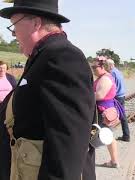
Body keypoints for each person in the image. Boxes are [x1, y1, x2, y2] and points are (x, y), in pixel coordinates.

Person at [0, 0, 96, 179]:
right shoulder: (45, 55)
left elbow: (67, 146)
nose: (13, 34)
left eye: (13, 26)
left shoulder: (62, 57)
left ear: (36, 23)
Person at [92, 56, 122, 168]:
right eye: (92, 67)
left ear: (102, 67)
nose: (93, 69)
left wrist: (85, 96)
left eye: (95, 67)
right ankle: (114, 161)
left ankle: (85, 158)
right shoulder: (103, 77)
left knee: (92, 134)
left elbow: (100, 95)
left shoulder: (105, 78)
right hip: (104, 111)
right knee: (108, 136)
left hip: (102, 112)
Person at [106, 58, 130, 142]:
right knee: (122, 116)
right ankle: (126, 136)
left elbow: (111, 87)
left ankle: (108, 137)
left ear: (110, 65)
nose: (105, 67)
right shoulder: (118, 71)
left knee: (110, 116)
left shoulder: (112, 73)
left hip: (117, 97)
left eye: (106, 65)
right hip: (122, 95)